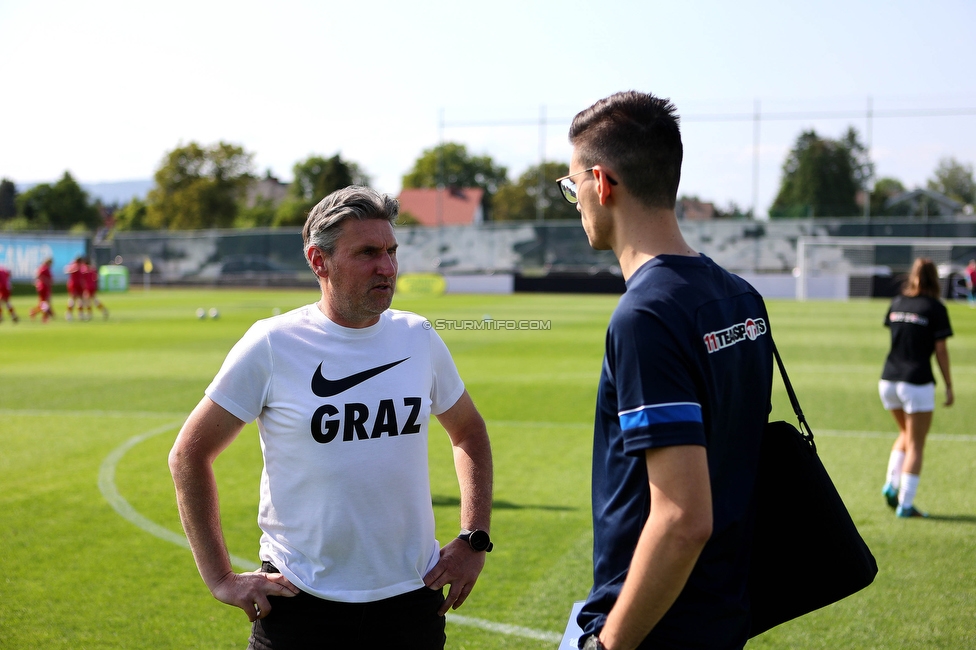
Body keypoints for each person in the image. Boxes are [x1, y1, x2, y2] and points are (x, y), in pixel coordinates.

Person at [169, 186, 493, 649]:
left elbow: (469, 432)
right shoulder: (272, 344)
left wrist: (473, 537)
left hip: (410, 603)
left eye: (391, 251)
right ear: (319, 261)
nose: (387, 266)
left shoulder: (417, 336)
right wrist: (220, 577)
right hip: (300, 606)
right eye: (367, 253)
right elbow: (188, 455)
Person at [559, 91, 774, 650]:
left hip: (655, 626)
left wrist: (611, 644)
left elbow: (683, 518)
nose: (574, 199)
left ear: (601, 183)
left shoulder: (645, 317)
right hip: (722, 614)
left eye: (571, 184)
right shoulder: (740, 296)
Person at [879, 257, 953, 518]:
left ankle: (891, 483)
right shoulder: (934, 307)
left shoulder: (897, 302)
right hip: (916, 382)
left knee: (904, 433)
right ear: (935, 279)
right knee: (917, 444)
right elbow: (941, 350)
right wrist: (948, 385)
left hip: (888, 380)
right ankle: (906, 504)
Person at [29, 257, 55, 322]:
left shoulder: (46, 268)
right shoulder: (44, 268)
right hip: (43, 287)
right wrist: (45, 281)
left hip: (45, 287)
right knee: (45, 303)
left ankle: (34, 312)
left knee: (43, 303)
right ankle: (44, 317)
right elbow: (39, 275)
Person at [64, 256, 87, 321]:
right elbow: (67, 271)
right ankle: (69, 314)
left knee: (80, 300)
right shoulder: (74, 265)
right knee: (73, 300)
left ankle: (80, 315)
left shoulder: (82, 266)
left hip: (79, 285)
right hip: (74, 285)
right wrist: (74, 270)